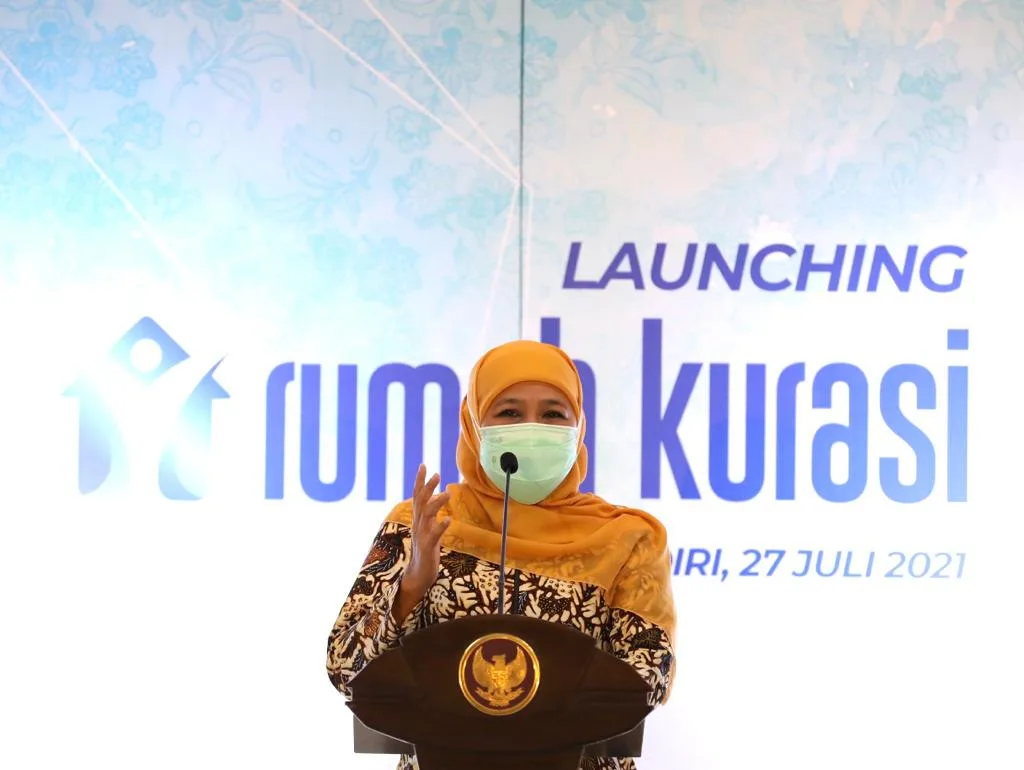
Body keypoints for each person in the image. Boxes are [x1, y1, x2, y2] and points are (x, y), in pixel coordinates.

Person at [326, 340, 676, 770]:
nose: (531, 428)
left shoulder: (626, 538)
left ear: (579, 426)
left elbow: (646, 678)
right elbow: (347, 668)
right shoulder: (424, 523)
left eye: (553, 414)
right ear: (474, 423)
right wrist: (413, 584)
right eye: (509, 412)